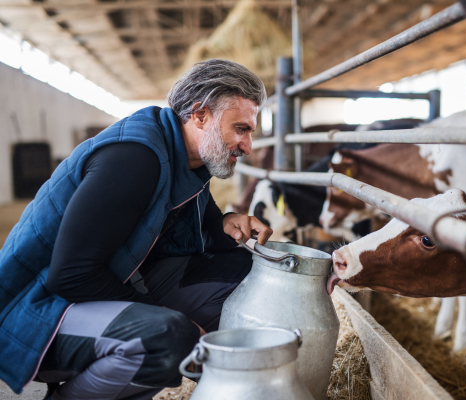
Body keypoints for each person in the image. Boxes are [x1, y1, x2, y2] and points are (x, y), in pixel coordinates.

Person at [0, 59, 273, 399]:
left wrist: (225, 224)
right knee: (170, 337)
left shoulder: (189, 161)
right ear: (200, 115)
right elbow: (70, 274)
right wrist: (165, 316)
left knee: (252, 277)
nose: (247, 146)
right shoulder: (135, 158)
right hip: (37, 310)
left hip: (108, 285)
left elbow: (194, 234)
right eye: (241, 129)